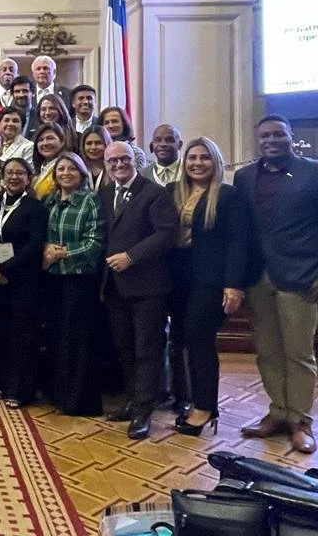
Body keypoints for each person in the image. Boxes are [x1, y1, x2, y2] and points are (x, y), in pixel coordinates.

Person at [236, 115, 318, 454]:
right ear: (259, 141)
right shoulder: (244, 177)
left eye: (278, 134)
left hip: (302, 275)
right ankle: (277, 412)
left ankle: (300, 421)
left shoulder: (313, 172)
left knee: (298, 352)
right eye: (265, 135)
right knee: (267, 351)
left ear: (290, 136)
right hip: (258, 278)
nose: (271, 140)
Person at [167, 137, 251, 436]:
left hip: (212, 281)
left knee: (199, 338)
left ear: (214, 161)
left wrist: (234, 285)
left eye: (204, 158)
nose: (197, 163)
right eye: (192, 158)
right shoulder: (173, 192)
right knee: (180, 337)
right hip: (177, 279)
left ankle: (205, 407)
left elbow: (239, 243)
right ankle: (186, 399)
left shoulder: (229, 196)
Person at [100, 141, 178, 440]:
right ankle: (134, 401)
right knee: (125, 348)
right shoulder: (106, 193)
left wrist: (132, 256)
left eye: (124, 159)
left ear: (135, 160)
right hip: (115, 288)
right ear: (106, 165)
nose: (119, 165)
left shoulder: (154, 192)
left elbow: (166, 234)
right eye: (112, 161)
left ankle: (145, 412)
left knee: (148, 349)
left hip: (148, 286)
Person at [41, 152, 105, 415]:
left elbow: (95, 243)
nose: (65, 173)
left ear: (81, 173)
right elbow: (39, 236)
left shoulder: (90, 201)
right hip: (53, 280)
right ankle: (58, 395)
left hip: (80, 279)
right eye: (61, 169)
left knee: (79, 340)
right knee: (57, 337)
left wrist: (62, 252)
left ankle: (79, 401)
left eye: (72, 169)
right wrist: (45, 248)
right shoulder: (49, 201)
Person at [0, 157, 48, 408]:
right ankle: (3, 383)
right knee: (1, 332)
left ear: (28, 177)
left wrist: (5, 268)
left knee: (23, 335)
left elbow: (34, 245)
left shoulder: (35, 207)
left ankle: (22, 390)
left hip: (24, 279)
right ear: (2, 176)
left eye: (19, 173)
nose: (13, 177)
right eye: (9, 172)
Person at [31, 123, 66, 199]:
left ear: (62, 141)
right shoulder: (39, 170)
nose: (45, 143)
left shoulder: (65, 169)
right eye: (41, 140)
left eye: (50, 138)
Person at [80, 125, 112, 193]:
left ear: (107, 144)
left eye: (98, 143)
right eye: (89, 143)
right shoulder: (78, 170)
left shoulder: (114, 170)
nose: (93, 147)